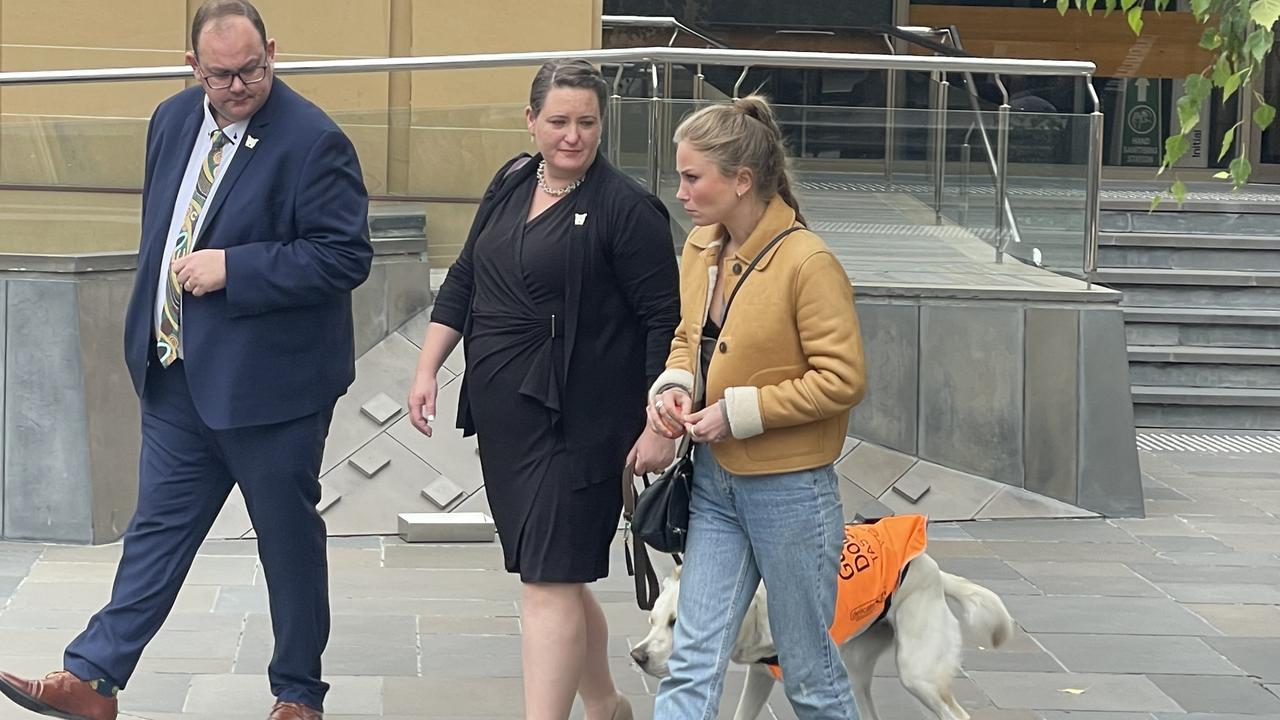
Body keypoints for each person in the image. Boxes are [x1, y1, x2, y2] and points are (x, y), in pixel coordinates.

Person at [0, 3, 371, 720]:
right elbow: (162, 229)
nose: (240, 86)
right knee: (156, 532)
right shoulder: (171, 120)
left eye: (253, 69)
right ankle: (94, 678)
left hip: (273, 389)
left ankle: (298, 694)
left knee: (286, 543)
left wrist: (236, 267)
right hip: (176, 374)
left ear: (272, 51)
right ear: (193, 68)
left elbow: (343, 255)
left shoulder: (314, 141)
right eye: (223, 74)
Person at [406, 60, 680, 720]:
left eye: (587, 122)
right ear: (530, 120)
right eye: (558, 121)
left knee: (549, 580)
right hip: (508, 421)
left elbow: (664, 324)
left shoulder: (626, 209)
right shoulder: (509, 181)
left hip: (581, 424)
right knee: (548, 574)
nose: (573, 136)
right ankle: (607, 703)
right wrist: (426, 368)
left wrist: (659, 425)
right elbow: (466, 279)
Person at [647, 96, 867, 720]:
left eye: (693, 176)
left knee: (808, 673)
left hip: (791, 493)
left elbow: (843, 378)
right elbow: (690, 338)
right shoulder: (699, 248)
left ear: (741, 181)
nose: (681, 190)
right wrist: (673, 388)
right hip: (715, 484)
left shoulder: (808, 261)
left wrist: (737, 412)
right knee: (691, 661)